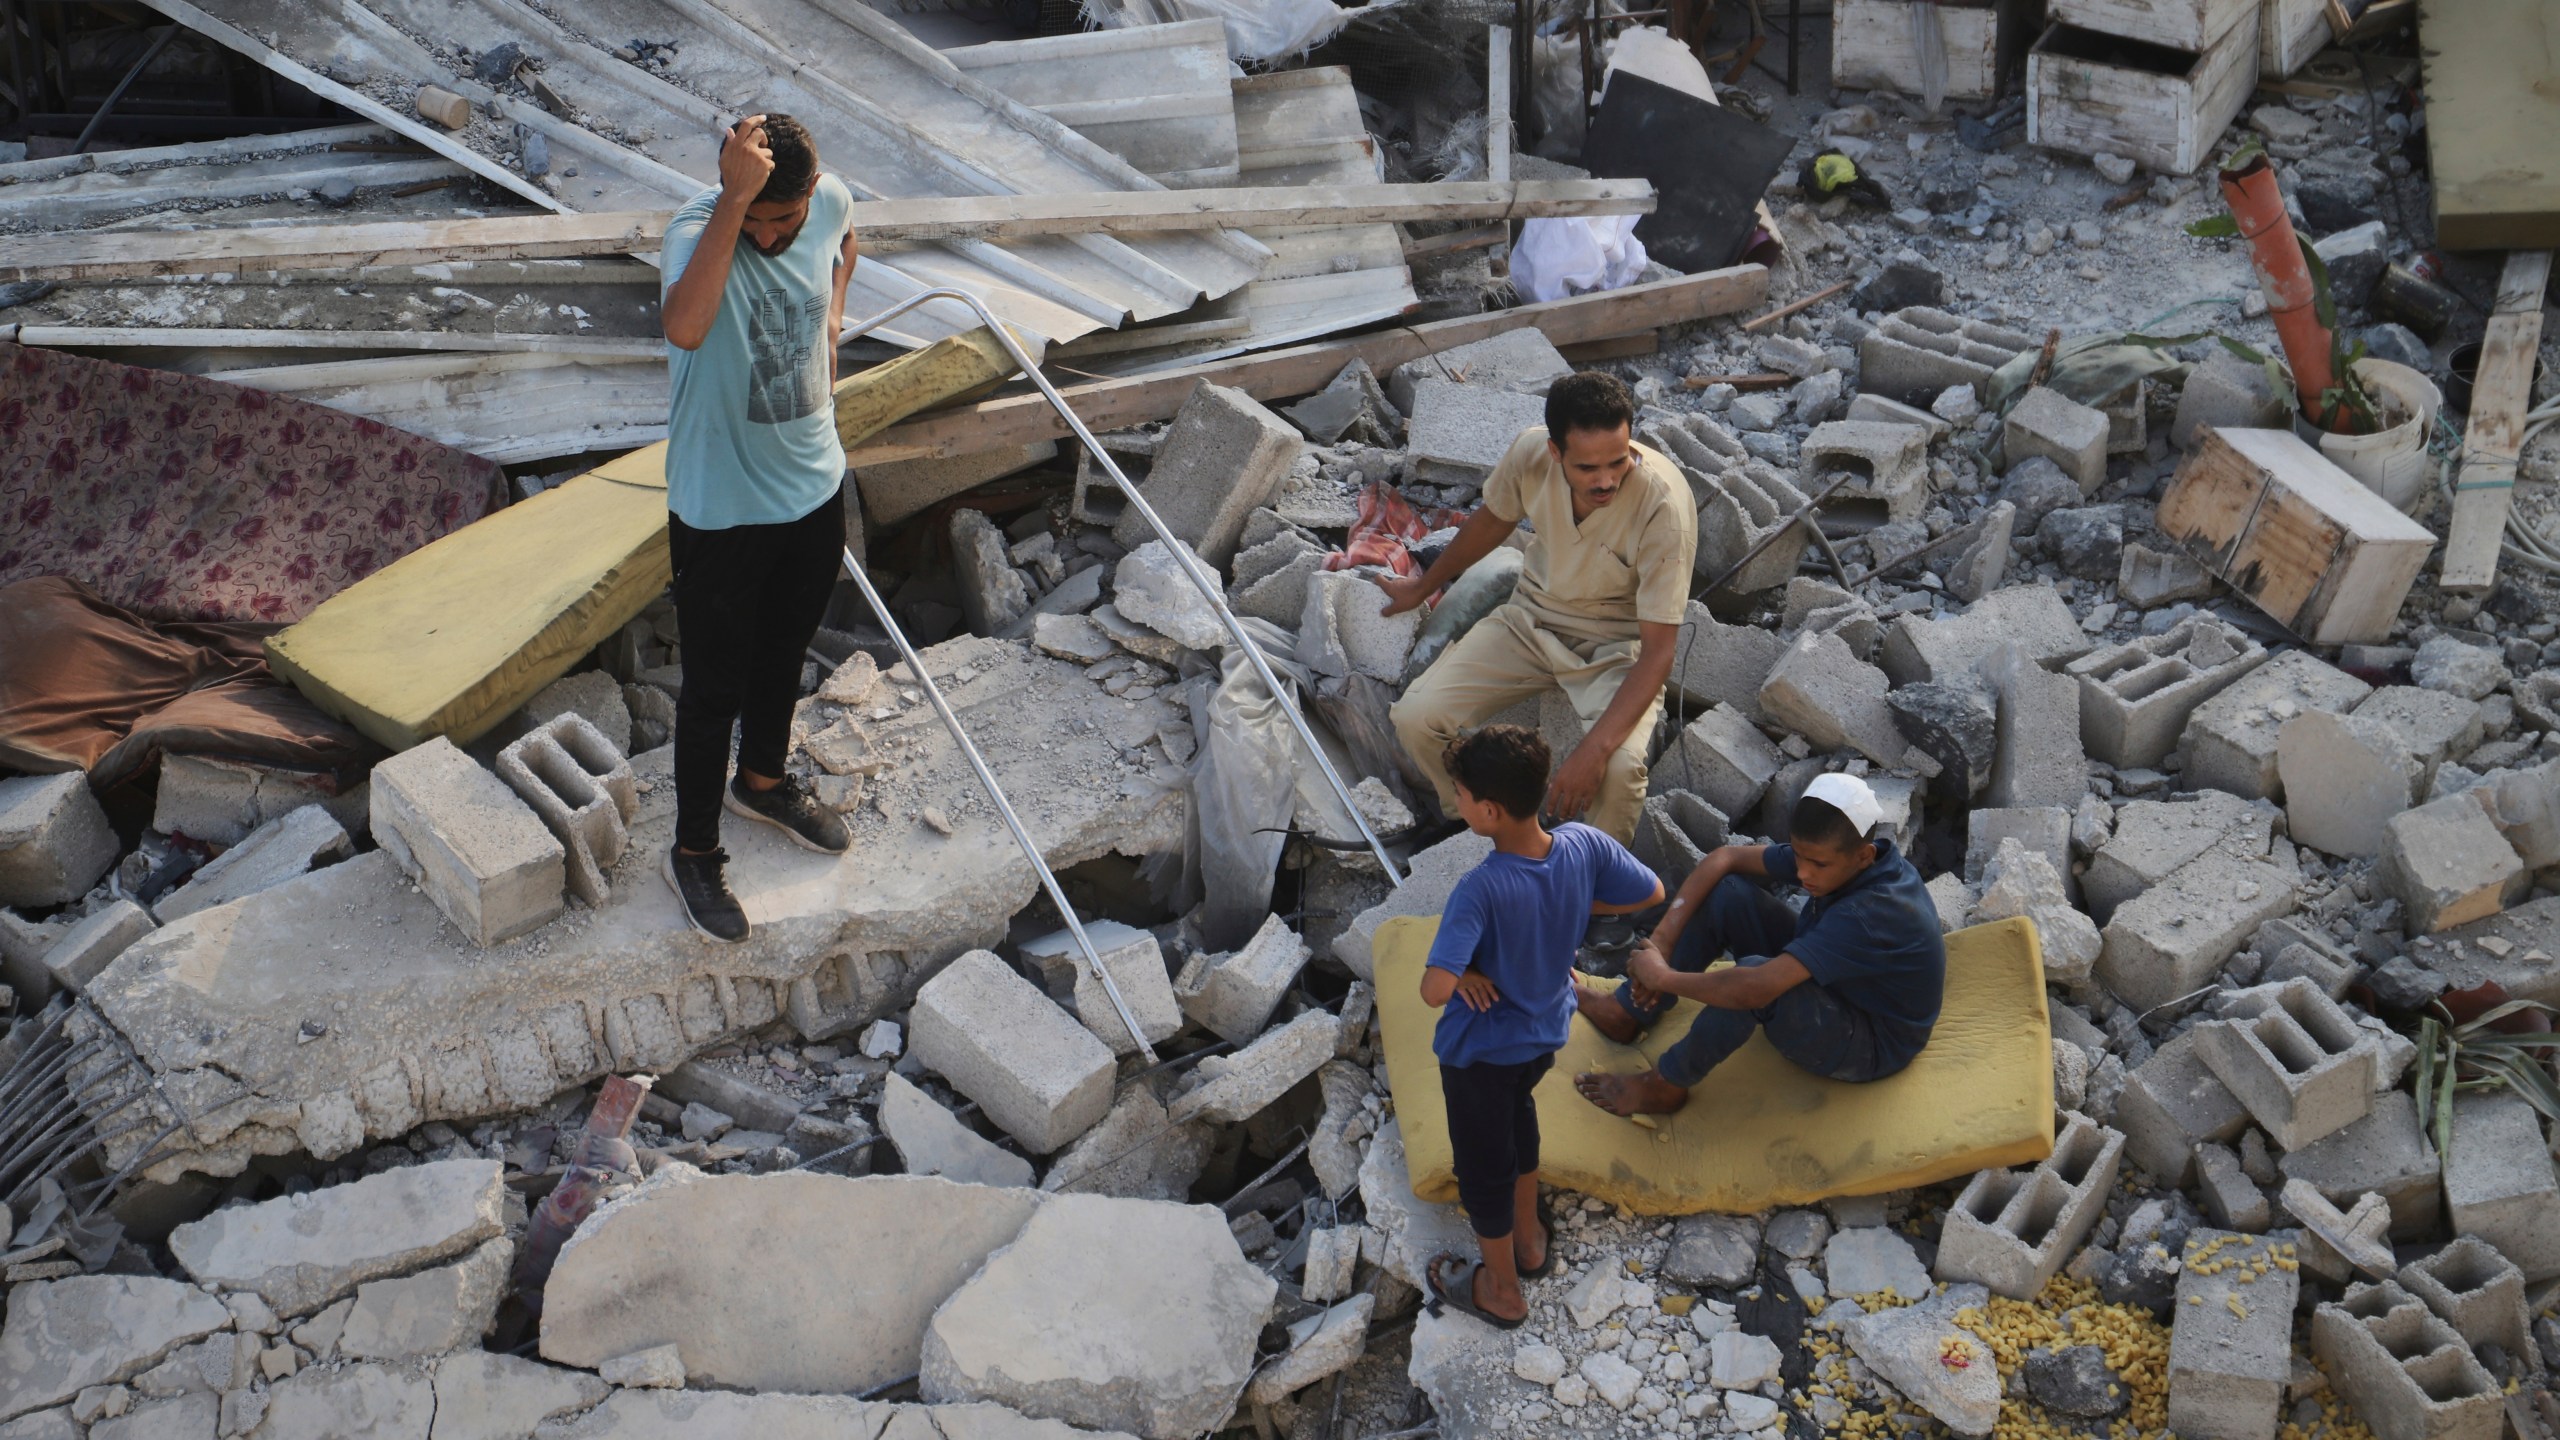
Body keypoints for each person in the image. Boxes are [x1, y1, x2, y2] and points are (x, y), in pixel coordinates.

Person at [656, 113, 861, 943]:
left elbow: (848, 245)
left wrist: (835, 318)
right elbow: (685, 326)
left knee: (786, 653)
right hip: (721, 506)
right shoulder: (694, 234)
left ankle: (766, 785)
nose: (771, 237)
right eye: (757, 220)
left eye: (787, 219)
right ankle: (696, 851)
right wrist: (734, 205)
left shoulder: (832, 201)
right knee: (712, 690)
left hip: (814, 485)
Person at [1379, 371, 1697, 845]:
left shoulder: (1662, 507)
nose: (1606, 480)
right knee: (1416, 717)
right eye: (1588, 469)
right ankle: (1478, 830)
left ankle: (1595, 896)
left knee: (1620, 770)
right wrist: (1425, 584)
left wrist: (1592, 752)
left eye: (1618, 461)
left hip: (1614, 646)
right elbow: (1491, 523)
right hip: (1529, 620)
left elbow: (1658, 653)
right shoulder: (1530, 455)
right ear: (1555, 453)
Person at [1419, 724, 1664, 1327]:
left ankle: (1501, 1290)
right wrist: (1575, 907)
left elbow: (1432, 990)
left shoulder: (1480, 888)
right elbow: (1651, 890)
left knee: (1483, 1170)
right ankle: (1530, 1243)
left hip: (1480, 1053)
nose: (1457, 803)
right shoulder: (1582, 844)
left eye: (1460, 796)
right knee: (1519, 1121)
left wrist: (1464, 969)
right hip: (1543, 1036)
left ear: (1489, 810)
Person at [1572, 773, 1945, 1117]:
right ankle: (1628, 1013)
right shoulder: (1848, 858)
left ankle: (1665, 1085)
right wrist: (1663, 941)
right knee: (1728, 893)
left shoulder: (1870, 913)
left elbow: (1755, 989)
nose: (1802, 874)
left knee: (1753, 979)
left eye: (1817, 864)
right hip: (1842, 984)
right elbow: (1725, 859)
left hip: (1870, 1040)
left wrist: (1664, 977)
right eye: (1798, 857)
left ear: (1864, 856)